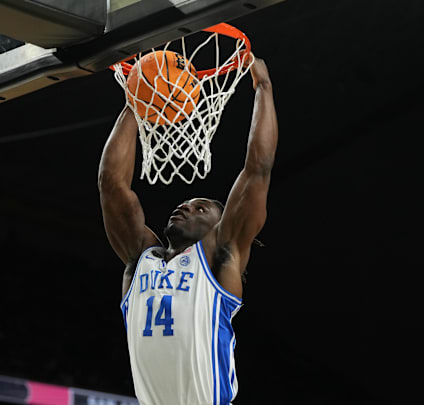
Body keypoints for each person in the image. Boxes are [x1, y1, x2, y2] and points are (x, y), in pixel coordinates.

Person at [98, 54, 278, 405]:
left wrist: (264, 88)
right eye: (186, 203)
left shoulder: (219, 258)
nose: (185, 206)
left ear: (219, 225)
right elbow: (111, 185)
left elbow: (258, 170)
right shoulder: (141, 259)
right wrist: (137, 100)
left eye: (201, 208)